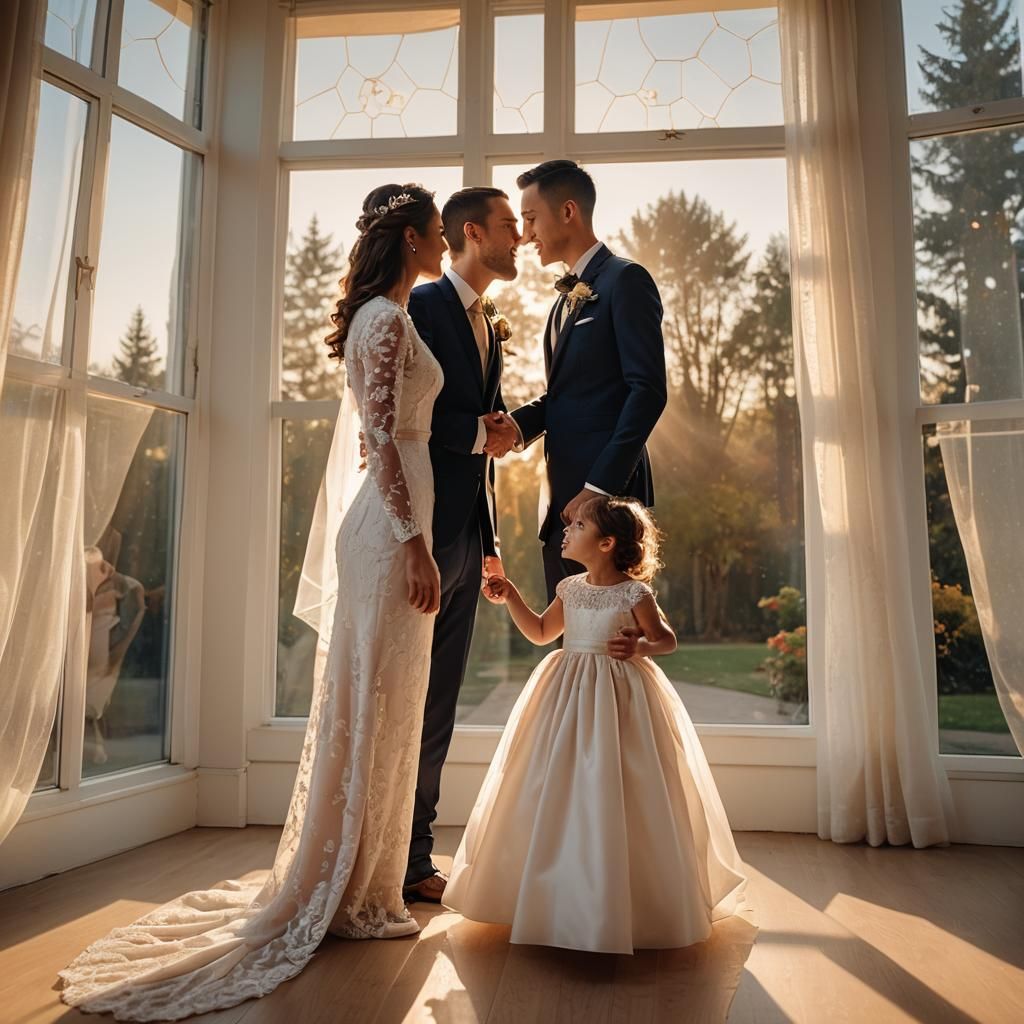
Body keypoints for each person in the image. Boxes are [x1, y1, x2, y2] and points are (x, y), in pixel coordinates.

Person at [59, 184, 448, 1020]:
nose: (446, 246)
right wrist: (413, 540)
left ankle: (367, 881)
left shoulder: (393, 316)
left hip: (399, 515)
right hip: (388, 530)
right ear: (412, 239)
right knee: (370, 701)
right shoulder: (383, 322)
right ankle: (341, 888)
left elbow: (392, 434)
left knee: (391, 705)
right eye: (441, 234)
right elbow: (380, 437)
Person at [444, 496, 747, 954]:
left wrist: (642, 646)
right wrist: (513, 597)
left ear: (605, 543)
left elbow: (666, 639)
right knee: (556, 782)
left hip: (620, 696)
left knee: (619, 781)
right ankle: (552, 893)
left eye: (579, 524)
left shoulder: (634, 594)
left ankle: (621, 900)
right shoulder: (570, 588)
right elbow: (543, 634)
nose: (567, 530)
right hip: (566, 692)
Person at [403, 186, 523, 904]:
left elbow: (475, 421)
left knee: (439, 703)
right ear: (473, 233)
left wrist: (488, 541)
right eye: (512, 225)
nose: (522, 238)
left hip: (464, 536)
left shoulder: (487, 319)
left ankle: (415, 857)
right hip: (417, 533)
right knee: (406, 698)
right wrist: (486, 432)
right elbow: (407, 421)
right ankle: (390, 849)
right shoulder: (419, 310)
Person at [510, 160, 668, 602]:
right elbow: (567, 395)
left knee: (614, 642)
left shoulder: (626, 280)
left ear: (568, 212)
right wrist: (517, 427)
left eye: (530, 219)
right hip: (563, 506)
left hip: (607, 508)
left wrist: (598, 489)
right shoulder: (562, 300)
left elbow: (648, 391)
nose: (525, 235)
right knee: (571, 642)